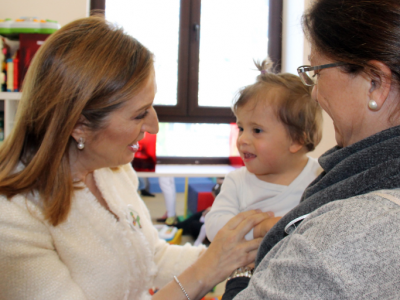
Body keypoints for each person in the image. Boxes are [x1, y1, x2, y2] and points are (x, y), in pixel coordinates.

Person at [0, 16, 269, 300]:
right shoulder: (13, 218)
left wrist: (239, 252)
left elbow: (150, 256)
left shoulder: (110, 170)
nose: (153, 126)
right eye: (140, 113)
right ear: (79, 124)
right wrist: (207, 271)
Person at [222, 0, 400, 299]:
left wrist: (240, 273)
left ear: (375, 84)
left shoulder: (348, 237)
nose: (315, 94)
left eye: (316, 72)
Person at [206, 60, 322, 242]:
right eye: (241, 128)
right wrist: (259, 229)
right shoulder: (237, 182)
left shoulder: (319, 177)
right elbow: (214, 227)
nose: (242, 139)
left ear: (297, 139)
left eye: (257, 130)